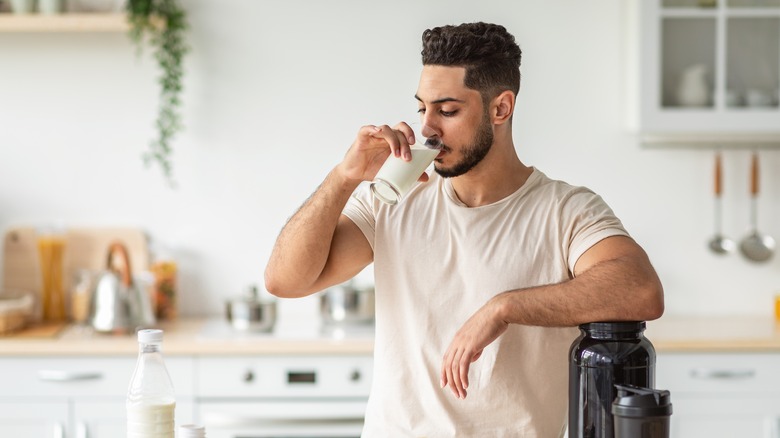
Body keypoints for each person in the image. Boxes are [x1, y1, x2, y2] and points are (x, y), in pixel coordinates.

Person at [265, 22, 664, 437]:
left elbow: (640, 291)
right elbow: (285, 281)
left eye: (448, 110)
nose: (427, 129)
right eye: (423, 108)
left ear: (501, 109)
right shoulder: (394, 196)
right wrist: (344, 177)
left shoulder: (565, 210)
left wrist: (503, 307)